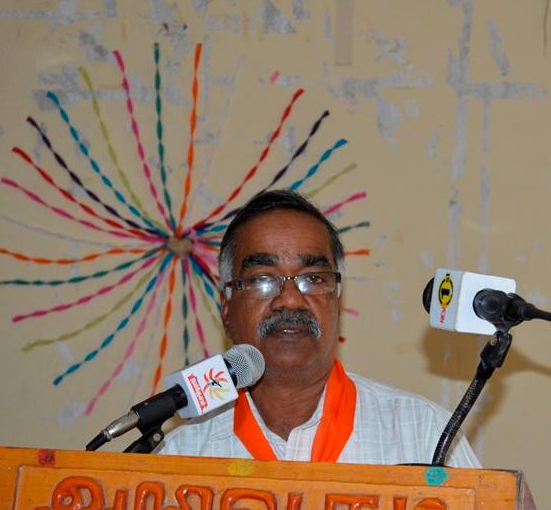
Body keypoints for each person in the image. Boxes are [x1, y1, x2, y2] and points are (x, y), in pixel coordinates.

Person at [157, 190, 480, 467]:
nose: (290, 299)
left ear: (337, 302)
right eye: (263, 279)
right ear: (227, 309)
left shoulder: (424, 435)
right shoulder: (182, 455)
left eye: (313, 278)